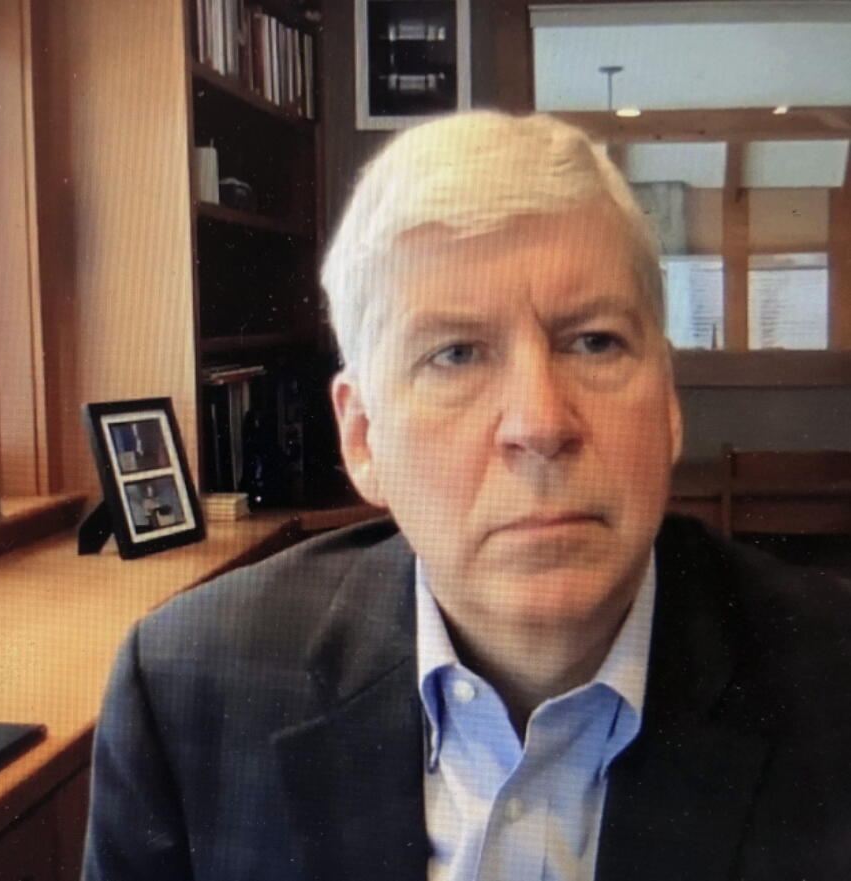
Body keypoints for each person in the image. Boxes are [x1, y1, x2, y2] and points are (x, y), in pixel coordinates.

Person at [83, 112, 851, 881]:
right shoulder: (188, 688)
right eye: (454, 354)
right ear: (361, 437)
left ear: (670, 404)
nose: (541, 423)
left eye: (594, 341)